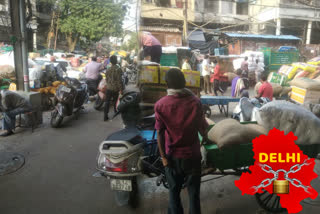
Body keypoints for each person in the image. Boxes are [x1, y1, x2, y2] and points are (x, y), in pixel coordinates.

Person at [154, 68, 208, 214]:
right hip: (193, 156)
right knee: (194, 194)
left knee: (174, 193)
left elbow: (159, 133)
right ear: (184, 83)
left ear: (167, 84)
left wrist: (163, 157)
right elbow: (203, 128)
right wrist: (204, 141)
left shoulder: (160, 105)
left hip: (172, 157)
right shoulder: (195, 102)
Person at [104, 55, 124, 121]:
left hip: (109, 88)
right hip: (115, 89)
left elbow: (106, 79)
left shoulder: (108, 68)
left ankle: (105, 116)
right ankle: (115, 111)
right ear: (116, 61)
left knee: (107, 102)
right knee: (115, 101)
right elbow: (119, 80)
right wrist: (121, 89)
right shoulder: (118, 69)